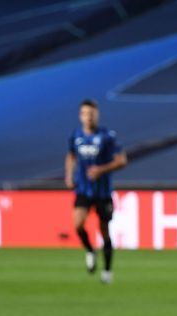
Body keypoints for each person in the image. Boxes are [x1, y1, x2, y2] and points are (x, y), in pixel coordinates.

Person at [64, 99, 127, 284]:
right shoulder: (75, 136)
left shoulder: (107, 136)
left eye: (91, 113)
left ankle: (107, 271)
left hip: (103, 192)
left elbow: (121, 160)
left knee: (104, 230)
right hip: (83, 189)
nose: (88, 117)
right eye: (85, 113)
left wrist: (101, 169)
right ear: (80, 116)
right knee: (78, 224)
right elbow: (70, 155)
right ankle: (90, 250)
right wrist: (69, 175)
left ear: (96, 115)